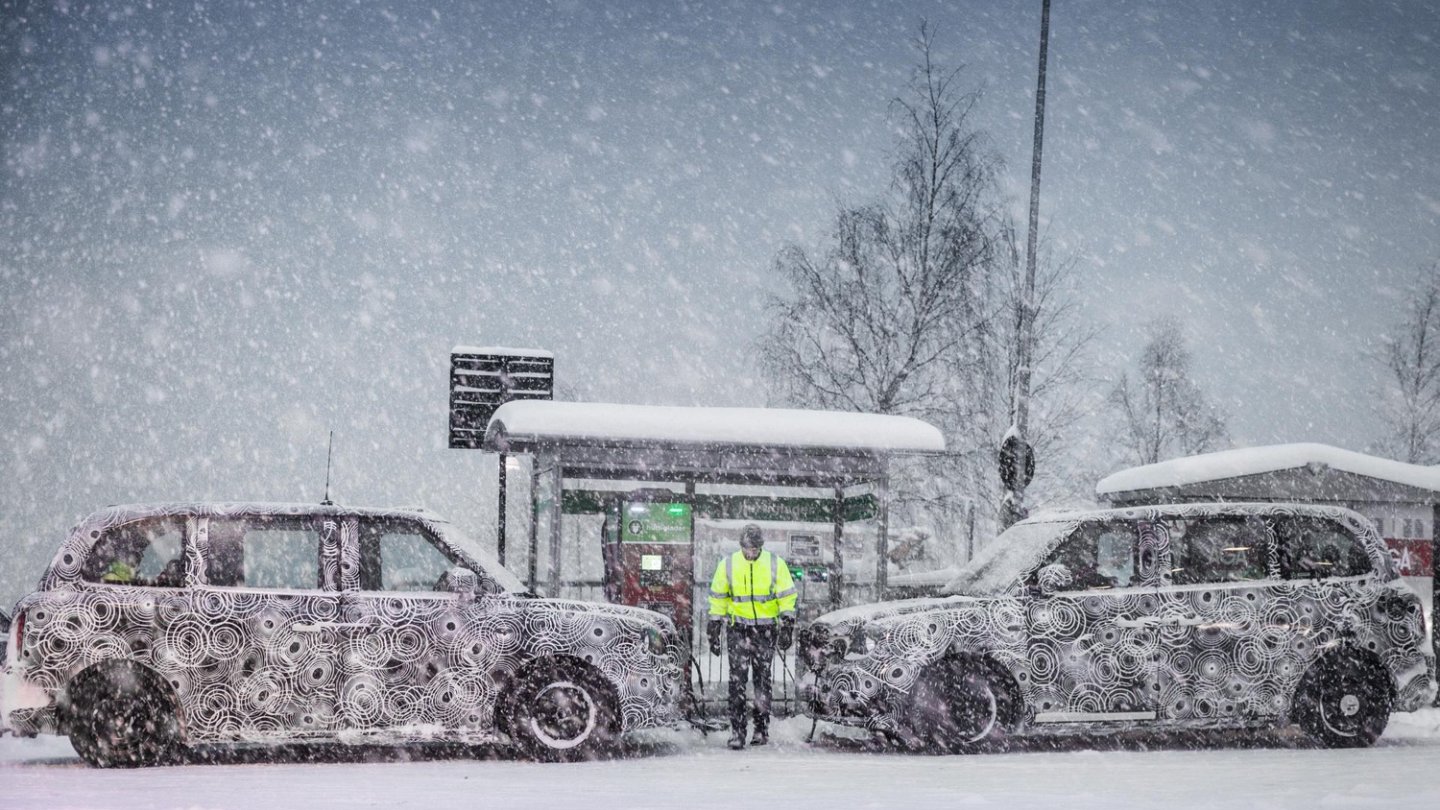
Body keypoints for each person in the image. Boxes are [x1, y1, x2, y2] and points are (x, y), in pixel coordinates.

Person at [706, 523, 797, 750]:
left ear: (761, 547)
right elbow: (719, 596)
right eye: (747, 549)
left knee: (762, 681)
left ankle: (760, 729)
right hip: (738, 629)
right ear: (741, 546)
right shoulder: (728, 564)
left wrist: (787, 624)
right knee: (736, 682)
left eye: (755, 549)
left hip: (766, 630)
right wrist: (714, 625)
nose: (751, 553)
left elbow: (787, 595)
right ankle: (737, 732)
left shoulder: (776, 564)